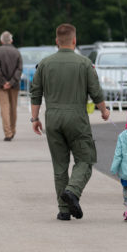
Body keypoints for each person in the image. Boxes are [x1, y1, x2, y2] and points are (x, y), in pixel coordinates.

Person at [30, 23, 110, 221]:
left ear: (57, 41)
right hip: (76, 118)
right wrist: (104, 110)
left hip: (53, 118)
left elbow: (35, 93)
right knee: (86, 159)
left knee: (59, 166)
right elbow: (96, 92)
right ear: (74, 41)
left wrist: (35, 119)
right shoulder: (84, 63)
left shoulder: (45, 64)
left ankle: (63, 210)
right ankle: (73, 191)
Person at [0, 31, 23, 141]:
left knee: (4, 108)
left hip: (1, 86)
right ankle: (13, 130)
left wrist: (3, 82)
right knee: (13, 108)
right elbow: (19, 69)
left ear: (1, 41)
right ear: (11, 40)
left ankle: (7, 133)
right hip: (14, 85)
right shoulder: (17, 52)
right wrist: (11, 82)